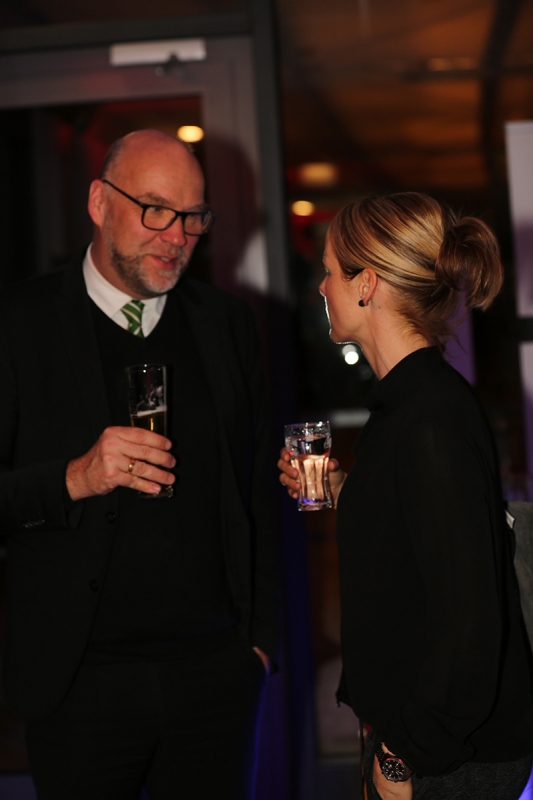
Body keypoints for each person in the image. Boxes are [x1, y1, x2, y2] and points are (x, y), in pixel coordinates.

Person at [0, 129, 279, 800]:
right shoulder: (18, 324)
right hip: (80, 681)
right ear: (99, 202)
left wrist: (259, 646)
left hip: (215, 675)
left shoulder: (227, 322)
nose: (176, 235)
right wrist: (76, 478)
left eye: (193, 216)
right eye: (155, 209)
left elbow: (258, 497)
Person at [279, 192, 533, 800]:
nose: (321, 288)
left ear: (366, 284)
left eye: (330, 271)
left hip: (446, 759)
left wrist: (401, 757)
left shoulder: (428, 418)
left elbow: (469, 622)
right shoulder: (407, 404)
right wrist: (346, 490)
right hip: (421, 740)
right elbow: (422, 535)